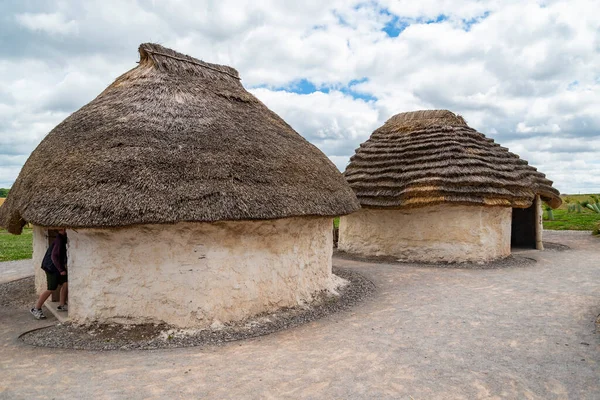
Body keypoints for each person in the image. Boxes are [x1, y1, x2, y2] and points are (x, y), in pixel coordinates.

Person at [30, 229, 68, 320]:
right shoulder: (59, 240)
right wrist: (61, 269)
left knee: (66, 283)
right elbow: (54, 256)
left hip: (56, 267)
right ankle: (36, 308)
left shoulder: (62, 238)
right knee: (51, 289)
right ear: (62, 230)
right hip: (51, 268)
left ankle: (61, 305)